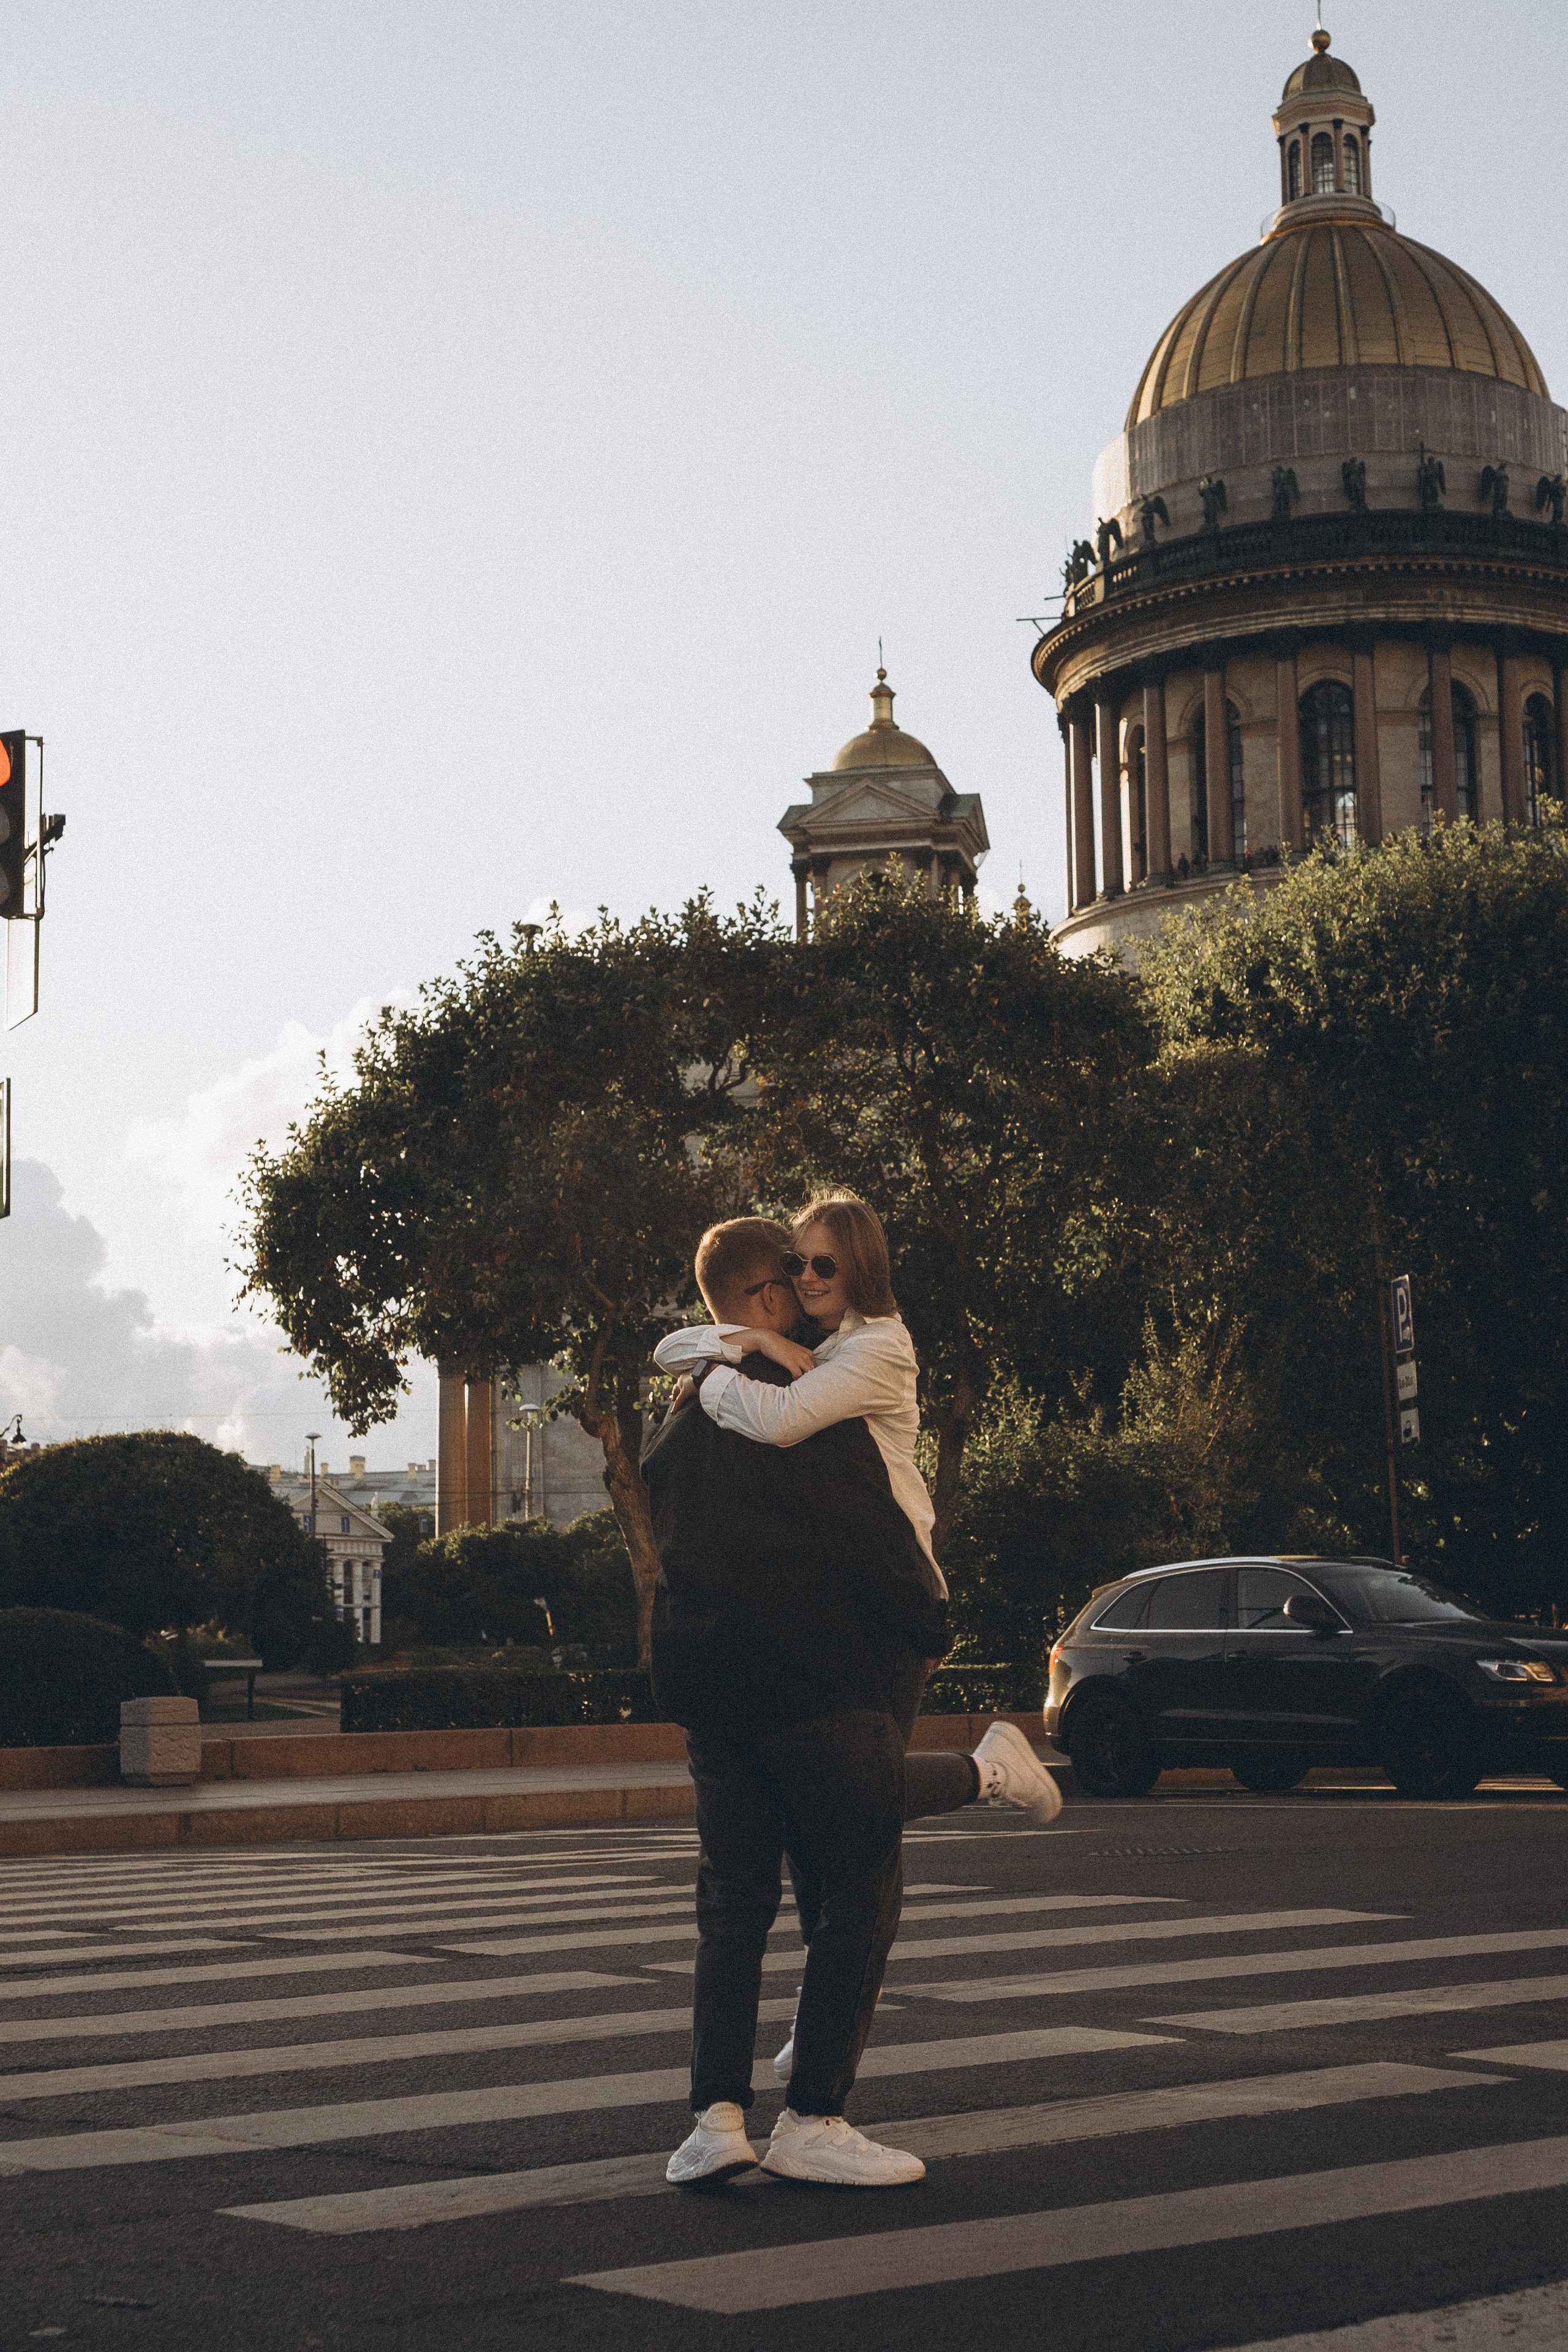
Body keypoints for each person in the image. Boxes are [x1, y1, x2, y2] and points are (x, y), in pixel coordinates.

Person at [645, 1214, 1058, 2192]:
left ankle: (714, 2122)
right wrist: (925, 1627)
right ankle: (814, 2119)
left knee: (733, 1901)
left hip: (708, 1689)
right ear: (766, 1295)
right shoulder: (799, 1405)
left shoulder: (677, 1416)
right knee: (863, 1869)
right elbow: (866, 1532)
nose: (804, 1289)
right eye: (792, 1274)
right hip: (815, 1671)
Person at [654, 1190, 1060, 1821]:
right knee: (847, 1806)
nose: (808, 1279)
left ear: (861, 1270)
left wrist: (710, 1372)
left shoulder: (878, 1347)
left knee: (866, 1798)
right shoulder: (812, 1341)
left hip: (899, 1581)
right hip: (860, 1589)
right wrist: (754, 1341)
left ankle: (994, 1772)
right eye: (796, 1264)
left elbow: (781, 1421)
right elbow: (667, 1349)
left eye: (825, 1266)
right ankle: (989, 1771)